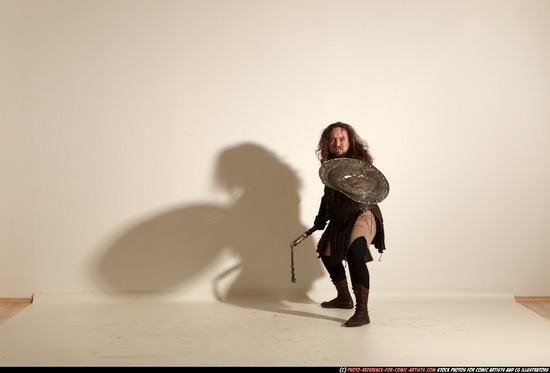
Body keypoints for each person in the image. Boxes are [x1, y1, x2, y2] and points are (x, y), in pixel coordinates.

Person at [311, 122, 386, 327]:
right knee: (327, 255)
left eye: (341, 139)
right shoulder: (329, 167)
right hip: (340, 218)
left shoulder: (359, 163)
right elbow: (328, 196)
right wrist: (320, 218)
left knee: (354, 254)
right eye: (333, 140)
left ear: (350, 141)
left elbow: (367, 189)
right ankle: (344, 298)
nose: (337, 143)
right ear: (327, 143)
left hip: (363, 213)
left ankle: (362, 312)